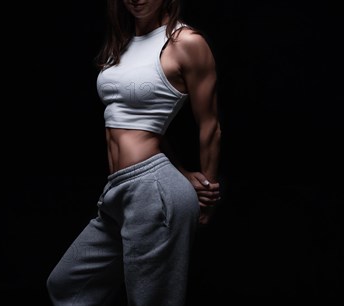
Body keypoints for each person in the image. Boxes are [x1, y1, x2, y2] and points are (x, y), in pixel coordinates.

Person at [46, 0, 221, 305]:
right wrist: (182, 171)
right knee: (67, 285)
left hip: (153, 192)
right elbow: (146, 124)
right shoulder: (123, 43)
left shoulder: (187, 43)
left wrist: (206, 191)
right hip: (119, 190)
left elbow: (210, 126)